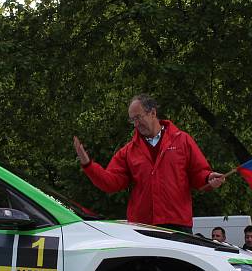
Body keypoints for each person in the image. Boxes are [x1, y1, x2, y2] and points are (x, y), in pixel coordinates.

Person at [73, 94, 225, 232]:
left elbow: (199, 173)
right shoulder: (128, 151)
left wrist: (209, 178)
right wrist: (88, 164)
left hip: (177, 224)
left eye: (138, 117)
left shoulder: (182, 140)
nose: (136, 124)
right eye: (132, 120)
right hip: (142, 226)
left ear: (153, 113)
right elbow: (110, 183)